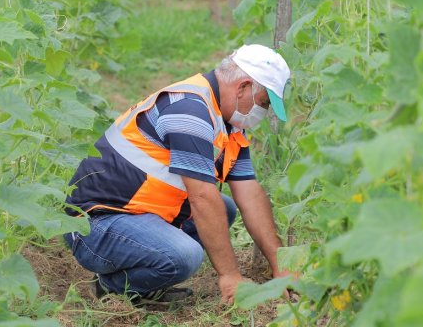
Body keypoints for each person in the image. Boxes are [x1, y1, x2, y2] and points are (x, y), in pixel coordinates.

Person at [63, 44, 293, 306]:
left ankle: (146, 276)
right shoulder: (189, 111)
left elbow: (249, 193)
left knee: (225, 209)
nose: (261, 113)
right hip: (93, 224)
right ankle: (112, 286)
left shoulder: (228, 124)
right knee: (184, 256)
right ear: (242, 87)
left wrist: (281, 265)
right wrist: (231, 277)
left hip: (134, 212)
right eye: (263, 103)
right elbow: (202, 197)